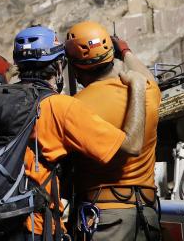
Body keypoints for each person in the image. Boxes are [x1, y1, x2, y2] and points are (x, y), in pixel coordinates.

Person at [9, 25, 147, 240]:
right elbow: (132, 146)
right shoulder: (61, 107)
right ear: (58, 66)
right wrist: (136, 84)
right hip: (37, 226)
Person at [65, 21, 161, 240]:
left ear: (75, 68)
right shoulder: (147, 91)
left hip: (104, 220)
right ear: (112, 58)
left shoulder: (74, 107)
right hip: (146, 215)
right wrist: (125, 50)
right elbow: (147, 77)